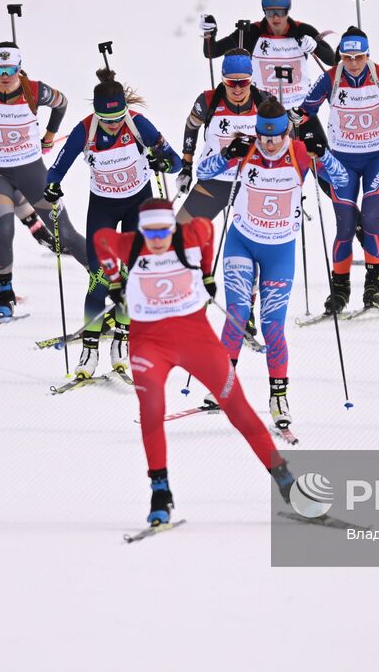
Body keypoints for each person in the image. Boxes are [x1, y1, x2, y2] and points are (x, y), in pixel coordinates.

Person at [93, 198, 297, 528]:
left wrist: (206, 273)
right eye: (150, 232)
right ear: (141, 229)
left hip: (196, 339)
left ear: (172, 227)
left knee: (238, 409)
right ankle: (160, 491)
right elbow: (101, 237)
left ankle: (285, 480)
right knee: (152, 410)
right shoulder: (129, 244)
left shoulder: (188, 235)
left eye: (163, 231)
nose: (157, 240)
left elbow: (207, 227)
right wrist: (115, 281)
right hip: (149, 344)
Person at [196, 99, 346, 431]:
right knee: (236, 314)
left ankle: (278, 396)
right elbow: (202, 174)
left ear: (286, 131)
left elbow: (341, 179)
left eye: (276, 137)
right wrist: (225, 155)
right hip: (242, 242)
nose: (270, 144)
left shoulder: (299, 152)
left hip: (280, 250)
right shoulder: (247, 149)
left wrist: (324, 155)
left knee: (272, 326)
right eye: (264, 137)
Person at [44, 69, 181, 383]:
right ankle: (89, 349)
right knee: (100, 277)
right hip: (103, 207)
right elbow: (55, 171)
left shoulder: (137, 124)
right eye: (108, 119)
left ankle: (122, 340)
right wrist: (52, 187)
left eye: (119, 117)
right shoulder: (85, 130)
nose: (114, 124)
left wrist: (163, 161)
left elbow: (176, 162)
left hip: (138, 205)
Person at [0, 41, 83, 318]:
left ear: (19, 68)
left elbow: (62, 103)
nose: (5, 75)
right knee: (4, 229)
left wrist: (49, 134)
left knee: (63, 230)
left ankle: (106, 280)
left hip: (30, 169)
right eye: (0, 69)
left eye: (10, 68)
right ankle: (5, 295)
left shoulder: (36, 90)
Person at [299, 27, 379, 315]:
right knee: (345, 225)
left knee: (372, 217)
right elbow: (305, 111)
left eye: (358, 57)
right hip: (343, 161)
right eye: (347, 57)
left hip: (377, 157)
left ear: (367, 55)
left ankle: (374, 286)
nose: (352, 63)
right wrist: (289, 123)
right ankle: (339, 290)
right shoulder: (330, 78)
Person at [200, 0, 337, 110]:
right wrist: (210, 34)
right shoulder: (252, 32)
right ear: (264, 10)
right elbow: (213, 51)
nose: (276, 18)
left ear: (288, 10)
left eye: (281, 12)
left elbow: (332, 61)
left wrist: (315, 47)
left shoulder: (302, 30)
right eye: (270, 13)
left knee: (319, 138)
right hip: (265, 110)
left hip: (299, 108)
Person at [177, 49, 265, 222]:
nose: (238, 88)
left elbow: (282, 139)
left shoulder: (264, 101)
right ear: (223, 79)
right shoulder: (208, 101)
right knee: (179, 235)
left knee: (253, 241)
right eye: (231, 82)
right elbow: (191, 127)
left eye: (244, 81)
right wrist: (186, 166)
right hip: (213, 182)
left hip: (252, 183)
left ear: (251, 78)